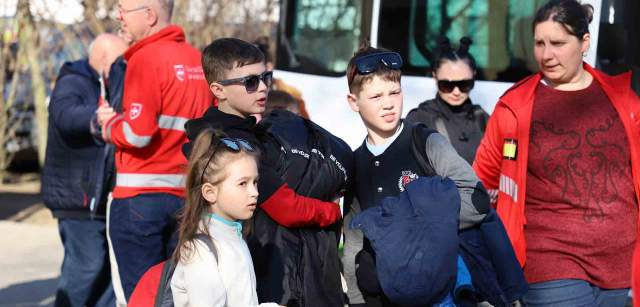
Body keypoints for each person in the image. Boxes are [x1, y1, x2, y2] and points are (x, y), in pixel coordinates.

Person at [473, 0, 640, 305]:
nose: (546, 55)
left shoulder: (625, 102)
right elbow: (480, 180)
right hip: (549, 261)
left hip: (621, 264)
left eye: (558, 43)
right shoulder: (514, 106)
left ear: (584, 43)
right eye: (539, 43)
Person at [183, 37, 348, 306]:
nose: (262, 88)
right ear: (218, 90)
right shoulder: (236, 144)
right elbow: (286, 207)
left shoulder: (219, 130)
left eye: (266, 77)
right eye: (250, 82)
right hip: (232, 258)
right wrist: (330, 212)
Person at [343, 45, 490, 306]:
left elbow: (477, 200)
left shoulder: (426, 143)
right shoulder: (356, 163)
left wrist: (420, 224)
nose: (388, 103)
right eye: (376, 97)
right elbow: (354, 238)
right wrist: (356, 299)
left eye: (395, 92)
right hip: (381, 294)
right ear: (354, 102)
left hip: (438, 293)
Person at [99, 0, 212, 299]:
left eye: (124, 9)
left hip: (138, 200)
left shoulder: (145, 59)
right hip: (185, 201)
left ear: (149, 15)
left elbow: (138, 134)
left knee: (138, 297)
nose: (118, 16)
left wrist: (110, 126)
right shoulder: (197, 61)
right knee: (175, 295)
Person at [41, 33, 127, 307]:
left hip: (103, 197)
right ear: (103, 58)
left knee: (106, 272)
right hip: (78, 197)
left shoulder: (112, 82)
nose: (124, 65)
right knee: (87, 266)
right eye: (119, 60)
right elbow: (65, 114)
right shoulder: (73, 80)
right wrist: (94, 118)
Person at [170, 129, 281, 307]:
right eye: (242, 183)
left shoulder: (234, 235)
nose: (254, 192)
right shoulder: (200, 248)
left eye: (255, 182)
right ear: (210, 192)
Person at [406, 37, 489, 164]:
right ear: (435, 77)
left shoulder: (482, 118)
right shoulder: (420, 119)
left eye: (464, 84)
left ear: (474, 76)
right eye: (447, 85)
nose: (456, 92)